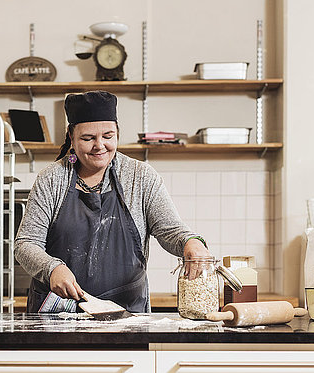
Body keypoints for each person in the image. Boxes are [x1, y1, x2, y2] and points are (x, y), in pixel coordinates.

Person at [14, 90, 211, 313]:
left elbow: (170, 230)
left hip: (126, 313)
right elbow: (25, 244)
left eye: (108, 136)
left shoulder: (140, 177)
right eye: (88, 138)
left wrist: (191, 242)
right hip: (60, 313)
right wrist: (52, 269)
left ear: (117, 132)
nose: (100, 146)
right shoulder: (51, 179)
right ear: (71, 136)